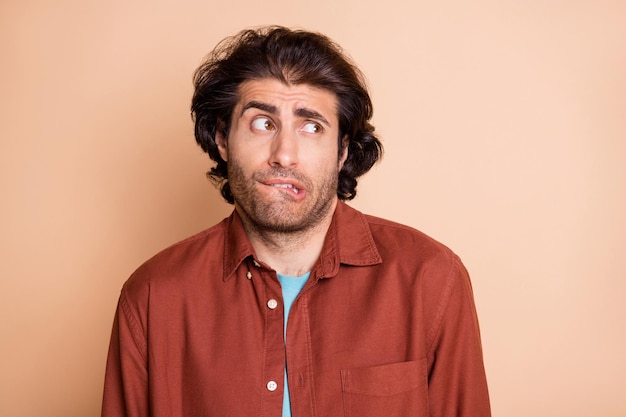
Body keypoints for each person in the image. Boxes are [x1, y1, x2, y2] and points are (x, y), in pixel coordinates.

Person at [102, 26, 491, 417]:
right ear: (222, 138)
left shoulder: (431, 279)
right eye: (262, 123)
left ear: (342, 151)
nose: (284, 155)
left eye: (311, 127)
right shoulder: (153, 297)